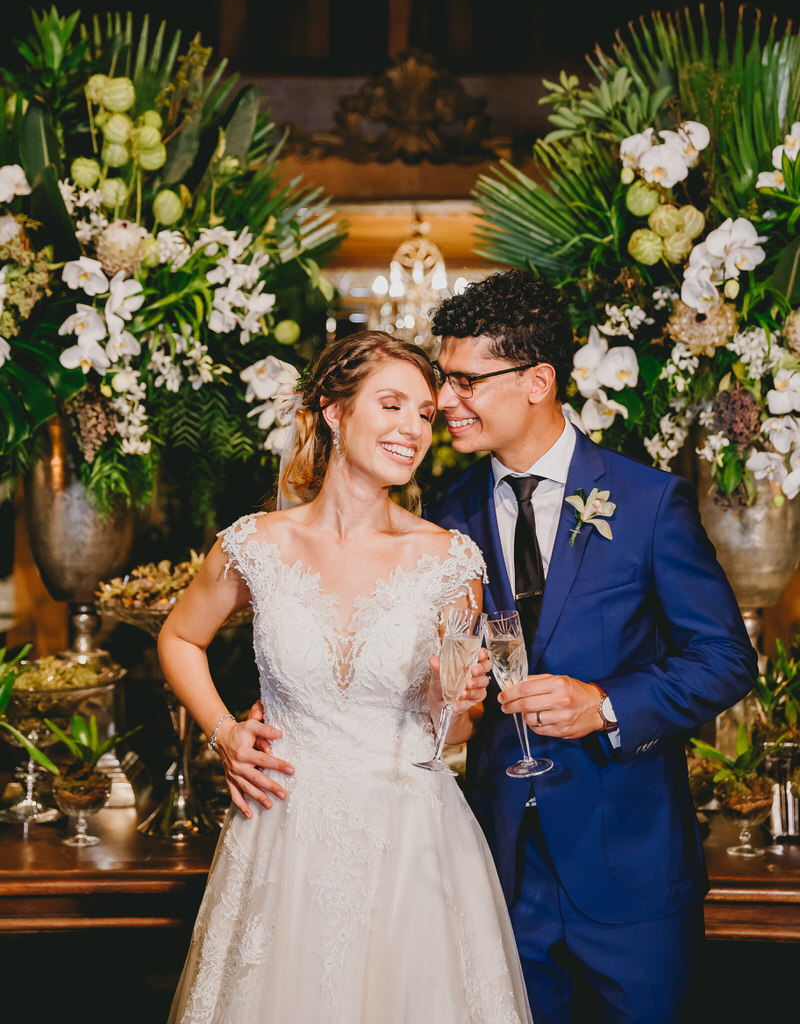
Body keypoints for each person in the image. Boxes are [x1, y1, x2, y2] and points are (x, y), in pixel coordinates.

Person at [158, 330, 533, 1024]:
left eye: (424, 415)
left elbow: (454, 728)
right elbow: (180, 636)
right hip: (284, 834)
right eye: (391, 405)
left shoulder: (449, 561)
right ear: (334, 411)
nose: (412, 429)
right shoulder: (255, 544)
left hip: (412, 847)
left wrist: (449, 700)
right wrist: (225, 733)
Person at [425, 268, 758, 1024]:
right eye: (443, 379)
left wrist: (605, 704)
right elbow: (441, 678)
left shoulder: (648, 501)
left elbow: (725, 658)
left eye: (466, 380)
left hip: (634, 872)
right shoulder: (443, 517)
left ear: (537, 379)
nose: (444, 401)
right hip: (500, 874)